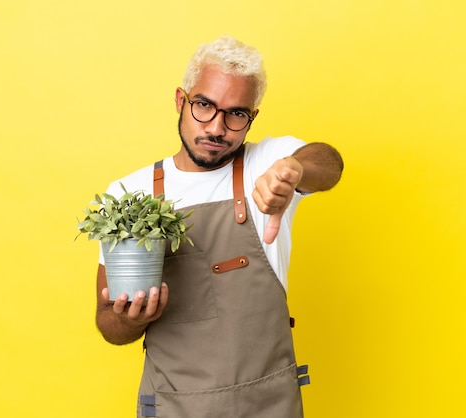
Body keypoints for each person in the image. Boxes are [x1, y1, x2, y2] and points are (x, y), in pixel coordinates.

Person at [94, 35, 343, 417]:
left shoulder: (267, 163)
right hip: (175, 407)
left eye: (236, 113)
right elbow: (107, 320)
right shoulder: (131, 193)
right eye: (204, 106)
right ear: (181, 100)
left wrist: (294, 171)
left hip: (269, 405)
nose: (217, 127)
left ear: (252, 117)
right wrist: (129, 320)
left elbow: (329, 163)